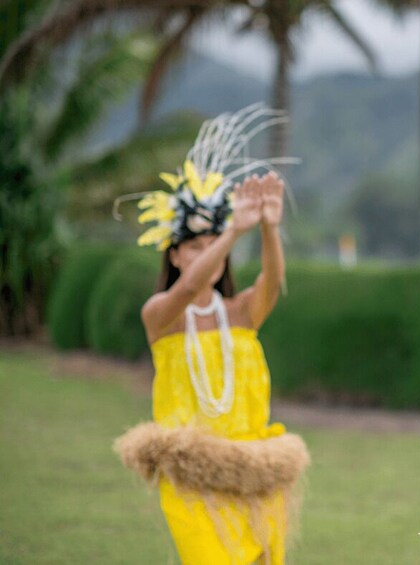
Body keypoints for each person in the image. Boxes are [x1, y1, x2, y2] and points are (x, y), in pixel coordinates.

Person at [114, 104, 309, 565]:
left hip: (252, 467)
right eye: (195, 246)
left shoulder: (240, 312)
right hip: (191, 473)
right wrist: (230, 232)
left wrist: (268, 228)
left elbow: (272, 281)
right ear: (175, 255)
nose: (208, 255)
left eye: (212, 244)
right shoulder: (161, 315)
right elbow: (186, 289)